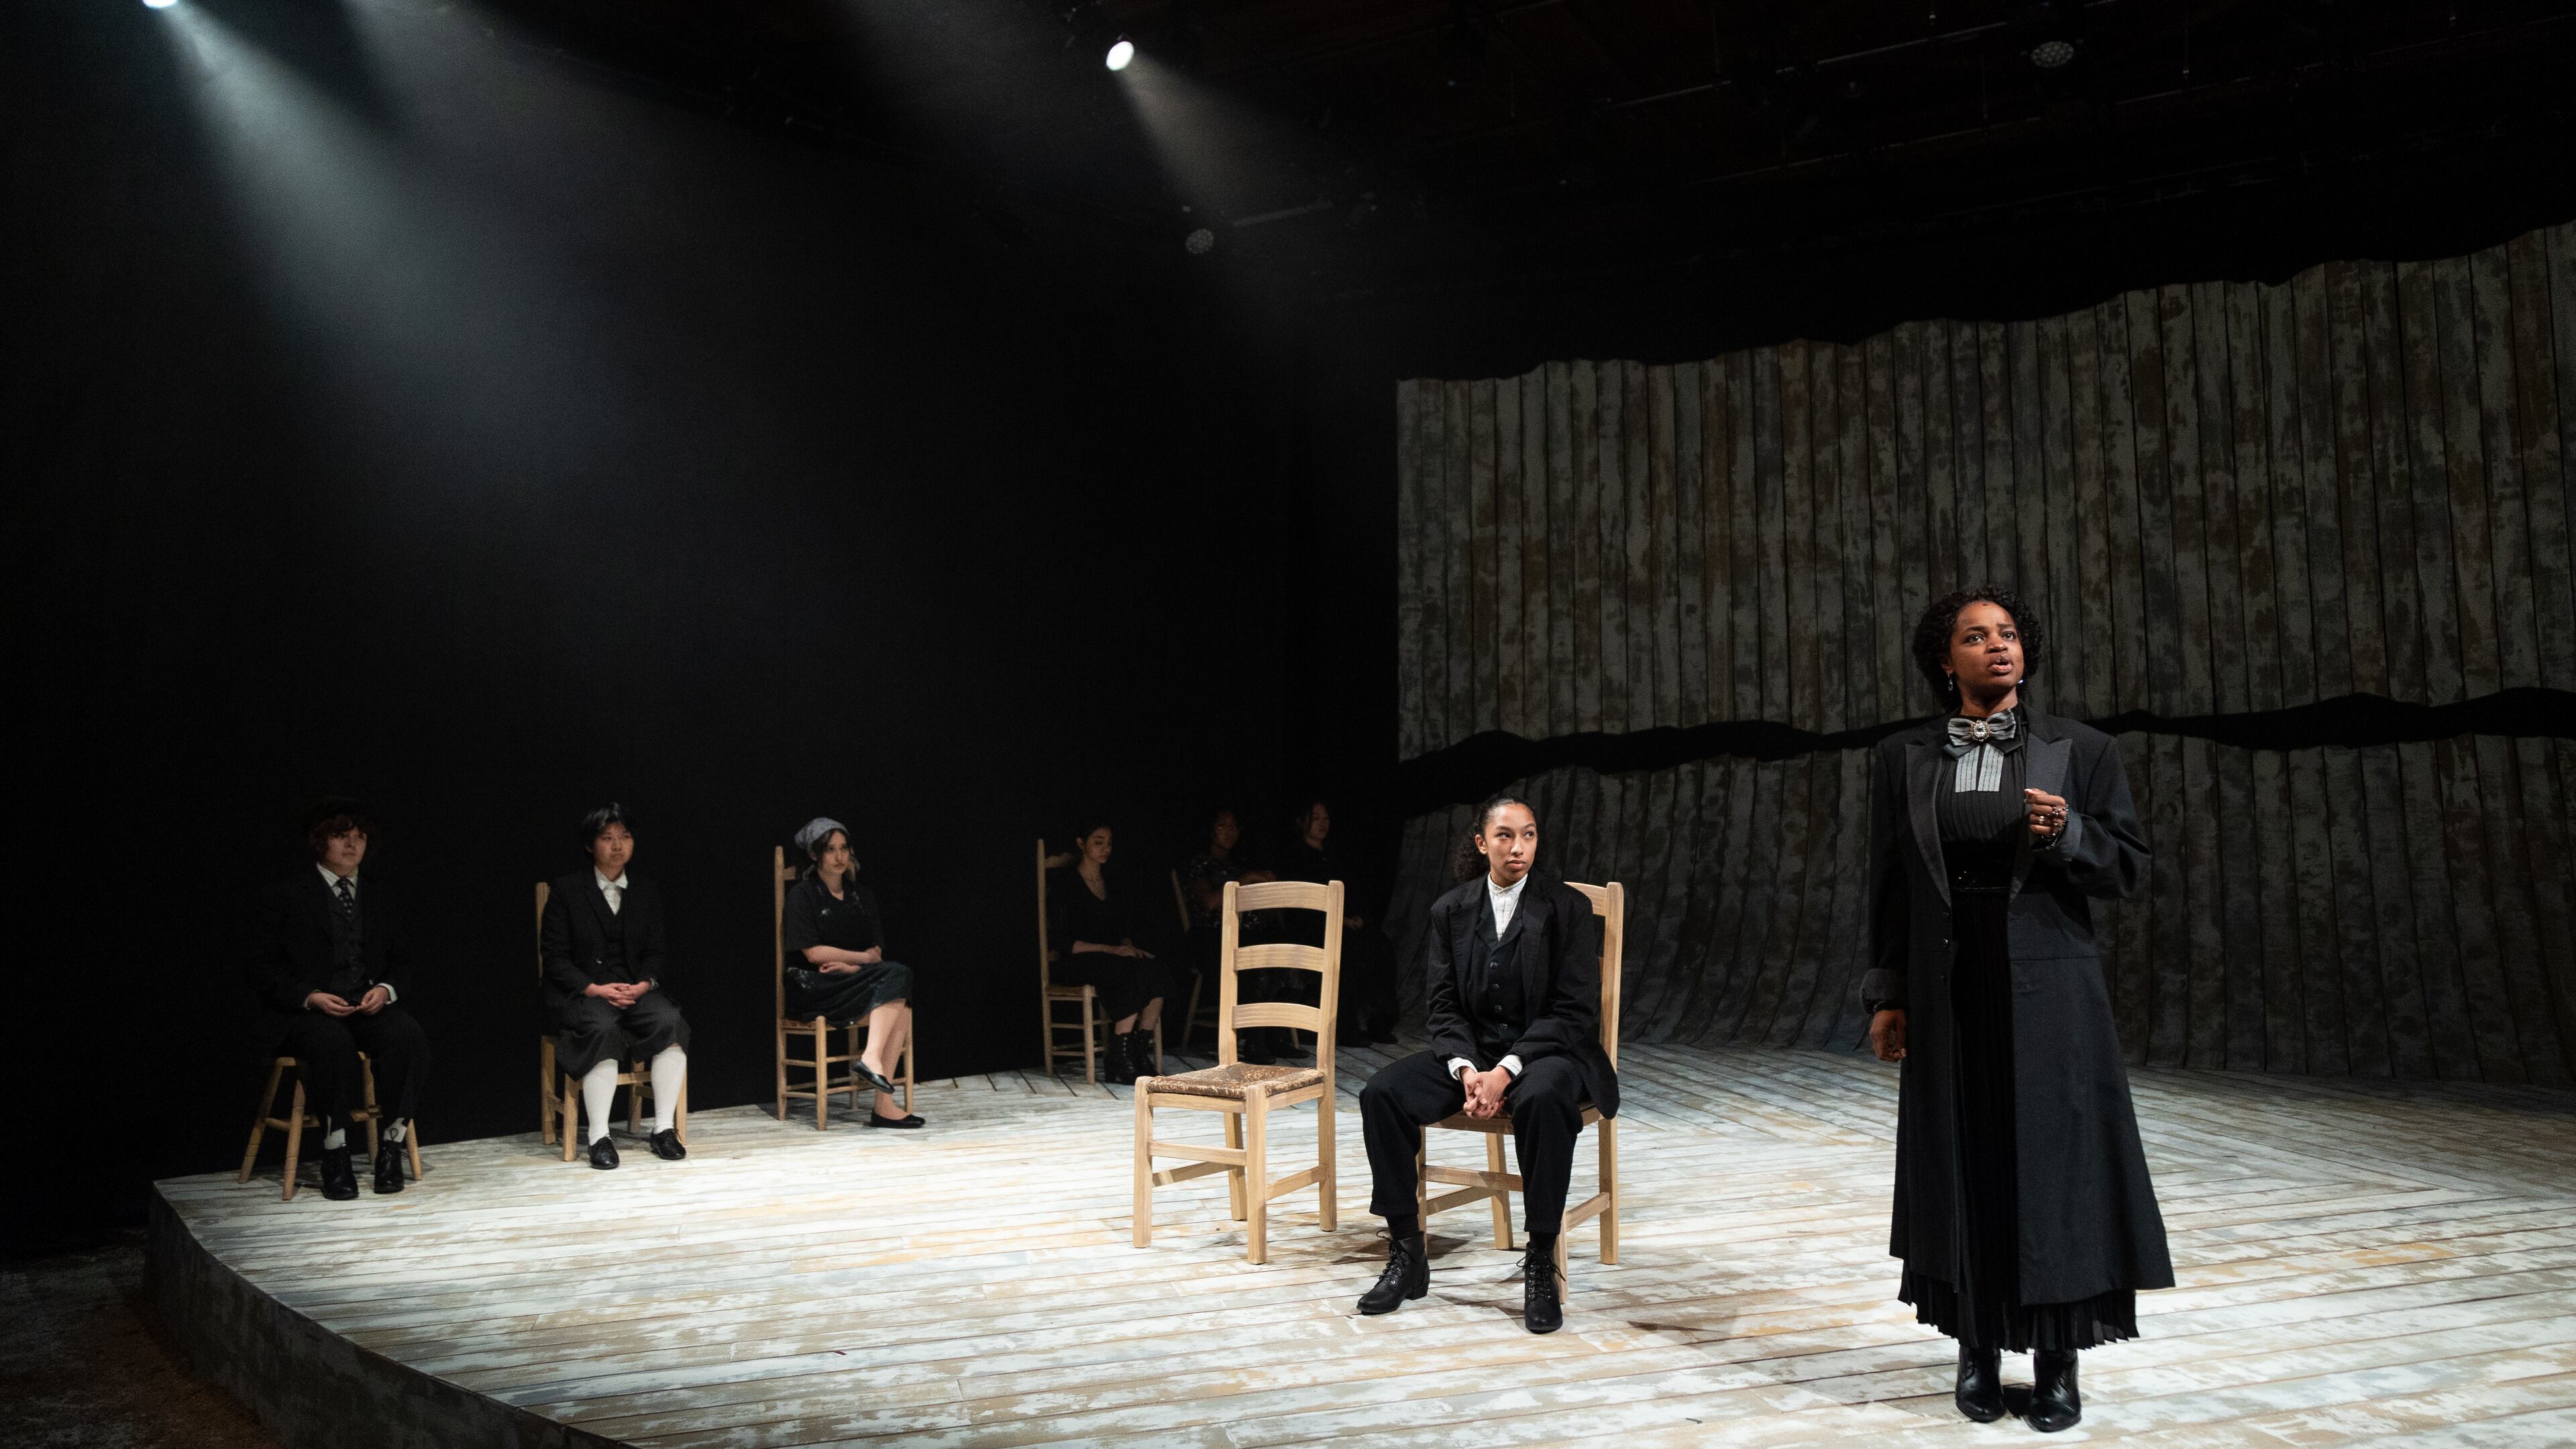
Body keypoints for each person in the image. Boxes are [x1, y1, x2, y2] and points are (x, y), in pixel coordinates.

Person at [1864, 585, 2167, 1434]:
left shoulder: (2083, 750)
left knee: (2052, 1172)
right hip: (1948, 988)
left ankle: (2058, 1360)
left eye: (2007, 635)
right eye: (1974, 636)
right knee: (1964, 1164)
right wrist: (1887, 995)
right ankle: (1975, 1351)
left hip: (2050, 993)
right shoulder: (1905, 758)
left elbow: (2130, 870)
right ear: (1945, 660)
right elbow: (1889, 886)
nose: (1997, 647)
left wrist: (2069, 835)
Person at [1354, 794, 1617, 1335]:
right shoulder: (1451, 910)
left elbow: (1574, 1011)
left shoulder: (1565, 908)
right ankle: (1408, 1252)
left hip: (1548, 1054)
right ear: (1482, 842)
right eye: (1504, 835)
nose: (1517, 846)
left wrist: (1508, 1069)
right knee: (1382, 1093)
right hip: (1475, 1057)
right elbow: (1443, 1006)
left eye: (1528, 835)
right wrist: (1468, 1070)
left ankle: (1541, 1258)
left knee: (1544, 1099)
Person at [246, 799, 433, 1200]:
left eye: (359, 837)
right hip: (309, 1012)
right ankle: (336, 1153)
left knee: (409, 1037)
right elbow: (262, 966)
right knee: (332, 1044)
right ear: (319, 842)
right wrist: (310, 996)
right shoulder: (287, 895)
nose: (352, 846)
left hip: (366, 1007)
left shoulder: (382, 895)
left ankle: (390, 1147)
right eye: (341, 836)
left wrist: (386, 990)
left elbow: (406, 961)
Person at [542, 803, 692, 1169]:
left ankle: (663, 1129)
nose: (617, 845)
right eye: (607, 838)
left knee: (670, 1020)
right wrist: (594, 988)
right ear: (590, 845)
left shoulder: (645, 889)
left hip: (634, 990)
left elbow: (657, 951)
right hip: (587, 993)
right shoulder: (567, 890)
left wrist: (644, 984)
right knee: (601, 1027)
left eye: (624, 837)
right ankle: (599, 1136)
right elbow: (555, 957)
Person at [780, 816, 922, 1128]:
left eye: (844, 848)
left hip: (850, 976)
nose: (840, 857)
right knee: (899, 980)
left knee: (901, 990)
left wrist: (850, 965)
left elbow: (876, 951)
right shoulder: (803, 895)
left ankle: (883, 1103)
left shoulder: (861, 896)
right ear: (816, 855)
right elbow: (813, 953)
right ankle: (873, 1066)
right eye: (831, 850)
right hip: (814, 983)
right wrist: (859, 959)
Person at [1048, 822, 1173, 1085]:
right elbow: (1063, 943)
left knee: (1154, 966)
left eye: (1109, 842)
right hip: (1078, 959)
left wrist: (1128, 947)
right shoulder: (1066, 883)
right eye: (1098, 842)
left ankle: (1136, 1051)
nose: (1106, 848)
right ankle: (1119, 1053)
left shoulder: (1111, 881)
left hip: (1111, 956)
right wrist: (1111, 949)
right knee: (1130, 972)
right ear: (1082, 844)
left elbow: (1122, 928)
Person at [1280, 800, 1400, 1046]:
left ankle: (1381, 1022)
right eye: (1316, 819)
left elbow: (1352, 892)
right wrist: (1339, 920)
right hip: (1312, 927)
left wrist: (1355, 916)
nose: (1323, 824)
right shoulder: (1295, 857)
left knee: (1380, 946)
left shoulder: (1334, 855)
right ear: (1302, 822)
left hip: (1342, 925)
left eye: (1326, 819)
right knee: (1349, 952)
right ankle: (1345, 1028)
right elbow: (1301, 902)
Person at [1181, 808, 1282, 1061]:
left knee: (1279, 956)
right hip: (1213, 938)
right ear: (1210, 830)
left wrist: (1267, 890)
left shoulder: (1241, 863)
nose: (1230, 832)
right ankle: (1255, 1039)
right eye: (1222, 826)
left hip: (1249, 934)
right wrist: (1246, 880)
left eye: (1234, 826)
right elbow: (1209, 903)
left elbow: (1269, 911)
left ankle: (1273, 1034)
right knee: (1254, 964)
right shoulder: (1201, 864)